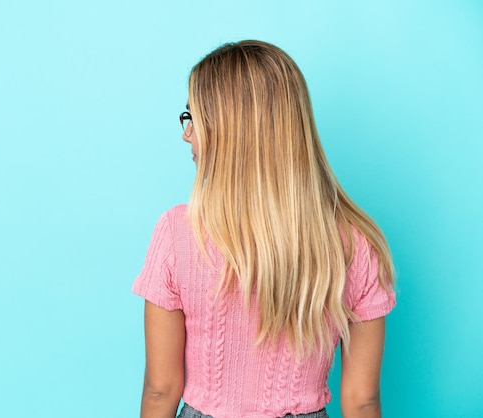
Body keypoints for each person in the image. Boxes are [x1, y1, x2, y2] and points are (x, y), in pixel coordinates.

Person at [132, 40, 396, 418]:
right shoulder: (355, 244)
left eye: (194, 117)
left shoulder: (176, 233)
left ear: (231, 129)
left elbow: (161, 389)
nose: (186, 134)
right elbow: (361, 400)